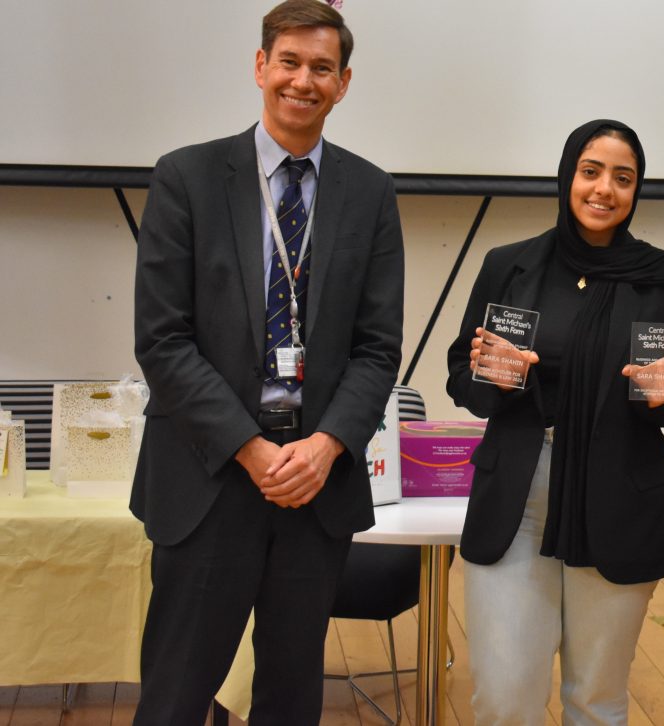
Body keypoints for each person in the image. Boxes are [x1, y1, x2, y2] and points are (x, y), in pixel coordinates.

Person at [130, 1, 403, 723]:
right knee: (176, 696)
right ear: (260, 67)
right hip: (209, 479)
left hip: (315, 488)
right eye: (289, 62)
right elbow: (162, 339)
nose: (303, 81)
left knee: (289, 698)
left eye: (322, 68)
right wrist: (252, 451)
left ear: (343, 83)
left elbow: (378, 348)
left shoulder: (371, 192)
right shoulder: (185, 178)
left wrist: (327, 445)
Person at [447, 119, 664, 725]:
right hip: (519, 495)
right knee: (504, 698)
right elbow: (462, 372)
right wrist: (495, 376)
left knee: (595, 700)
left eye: (623, 178)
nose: (604, 190)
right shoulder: (510, 266)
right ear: (567, 177)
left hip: (618, 495)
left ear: (637, 190)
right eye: (591, 172)